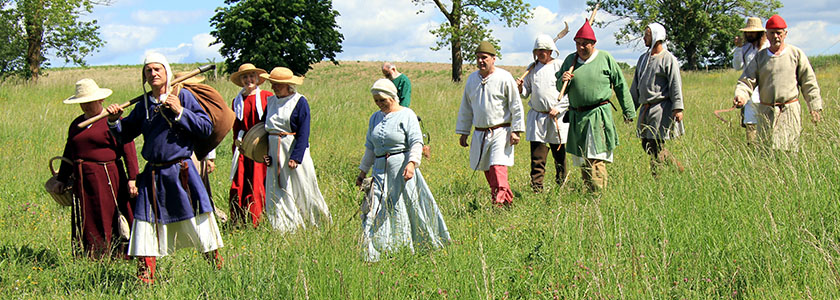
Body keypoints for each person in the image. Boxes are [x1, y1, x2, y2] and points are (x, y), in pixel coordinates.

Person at [105, 53, 224, 284]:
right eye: (148, 70)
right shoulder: (144, 105)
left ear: (166, 72)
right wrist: (114, 121)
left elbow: (205, 128)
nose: (153, 73)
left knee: (200, 222)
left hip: (182, 172)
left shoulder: (184, 96)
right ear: (145, 76)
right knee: (145, 225)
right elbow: (125, 134)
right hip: (153, 175)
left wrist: (180, 111)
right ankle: (146, 278)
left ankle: (217, 271)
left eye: (157, 69)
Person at [355, 79, 450, 262]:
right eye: (376, 101)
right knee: (373, 210)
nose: (379, 104)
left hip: (401, 170)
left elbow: (416, 141)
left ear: (392, 96)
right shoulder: (375, 117)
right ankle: (372, 253)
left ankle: (408, 249)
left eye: (383, 100)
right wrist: (362, 172)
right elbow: (370, 148)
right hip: (379, 171)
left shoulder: (407, 115)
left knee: (405, 208)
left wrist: (412, 163)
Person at [51, 78, 139, 259]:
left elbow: (128, 149)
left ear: (100, 100)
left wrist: (133, 178)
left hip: (108, 176)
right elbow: (69, 151)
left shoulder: (113, 120)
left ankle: (120, 254)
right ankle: (94, 255)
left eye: (89, 102)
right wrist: (61, 179)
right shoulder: (76, 125)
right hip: (83, 179)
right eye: (83, 103)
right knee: (89, 216)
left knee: (111, 214)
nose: (85, 107)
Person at [557, 20, 635, 192]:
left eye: (585, 44)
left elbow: (620, 85)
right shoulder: (571, 60)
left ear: (593, 43)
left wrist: (628, 111)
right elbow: (559, 89)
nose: (581, 47)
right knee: (583, 160)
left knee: (596, 160)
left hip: (598, 115)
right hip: (578, 117)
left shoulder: (605, 58)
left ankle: (599, 196)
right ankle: (589, 195)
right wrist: (563, 80)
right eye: (578, 44)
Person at [733, 14, 823, 151]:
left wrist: (814, 107)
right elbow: (746, 81)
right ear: (767, 35)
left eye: (779, 33)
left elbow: (809, 83)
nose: (776, 36)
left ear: (785, 34)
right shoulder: (760, 57)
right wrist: (741, 96)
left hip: (789, 111)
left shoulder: (796, 54)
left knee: (789, 150)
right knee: (766, 151)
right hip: (766, 112)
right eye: (772, 33)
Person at [260, 67, 331, 232]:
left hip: (292, 150)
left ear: (288, 85)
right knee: (275, 188)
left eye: (278, 84)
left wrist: (296, 157)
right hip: (273, 150)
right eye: (273, 84)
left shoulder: (299, 101)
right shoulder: (270, 102)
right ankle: (283, 226)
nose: (274, 87)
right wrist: (265, 152)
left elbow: (304, 132)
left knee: (302, 186)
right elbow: (263, 130)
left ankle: (316, 224)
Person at [456, 41, 526, 207]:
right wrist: (464, 132)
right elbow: (466, 107)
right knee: (488, 170)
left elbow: (516, 105)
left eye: (484, 57)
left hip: (501, 131)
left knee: (498, 167)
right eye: (478, 58)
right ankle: (506, 201)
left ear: (493, 59)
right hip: (480, 133)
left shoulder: (504, 77)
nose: (481, 61)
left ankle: (499, 204)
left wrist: (516, 130)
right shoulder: (472, 79)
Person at [630, 23, 685, 176]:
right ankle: (677, 167)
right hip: (645, 109)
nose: (644, 38)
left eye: (647, 35)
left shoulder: (668, 59)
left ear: (656, 36)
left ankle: (657, 178)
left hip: (661, 108)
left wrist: (678, 108)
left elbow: (675, 84)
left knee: (656, 144)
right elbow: (635, 85)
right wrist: (630, 108)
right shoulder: (642, 59)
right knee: (646, 144)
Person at [516, 34, 570, 192]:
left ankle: (562, 186)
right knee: (537, 156)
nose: (541, 53)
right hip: (537, 117)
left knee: (559, 155)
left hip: (556, 117)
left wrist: (559, 108)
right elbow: (526, 92)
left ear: (551, 51)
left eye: (544, 50)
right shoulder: (532, 68)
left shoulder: (559, 66)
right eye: (538, 50)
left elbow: (568, 91)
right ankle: (537, 188)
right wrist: (520, 87)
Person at [227, 63, 271, 227]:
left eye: (251, 76)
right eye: (245, 77)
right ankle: (240, 219)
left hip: (263, 147)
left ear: (257, 78)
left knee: (260, 181)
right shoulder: (236, 101)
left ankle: (259, 220)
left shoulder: (267, 96)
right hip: (243, 147)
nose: (249, 79)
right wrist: (238, 144)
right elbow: (236, 126)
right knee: (241, 181)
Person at [732, 17, 770, 145]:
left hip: (766, 93)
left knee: (767, 124)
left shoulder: (767, 47)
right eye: (748, 32)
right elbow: (738, 66)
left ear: (760, 33)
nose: (749, 34)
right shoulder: (745, 48)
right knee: (750, 124)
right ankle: (753, 151)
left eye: (752, 32)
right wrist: (738, 48)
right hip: (749, 94)